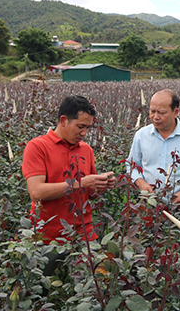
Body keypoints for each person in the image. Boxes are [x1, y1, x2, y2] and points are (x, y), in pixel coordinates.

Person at [22, 95, 115, 274]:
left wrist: (98, 186)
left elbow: (88, 192)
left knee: (95, 285)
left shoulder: (85, 150)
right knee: (42, 290)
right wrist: (82, 183)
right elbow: (36, 192)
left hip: (83, 234)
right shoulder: (37, 147)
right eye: (80, 127)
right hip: (46, 237)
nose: (84, 133)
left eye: (88, 128)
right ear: (63, 120)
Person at [127, 89, 180, 203]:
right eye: (152, 111)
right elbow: (132, 165)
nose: (155, 117)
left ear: (175, 112)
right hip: (149, 203)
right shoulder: (141, 135)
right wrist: (140, 182)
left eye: (161, 112)